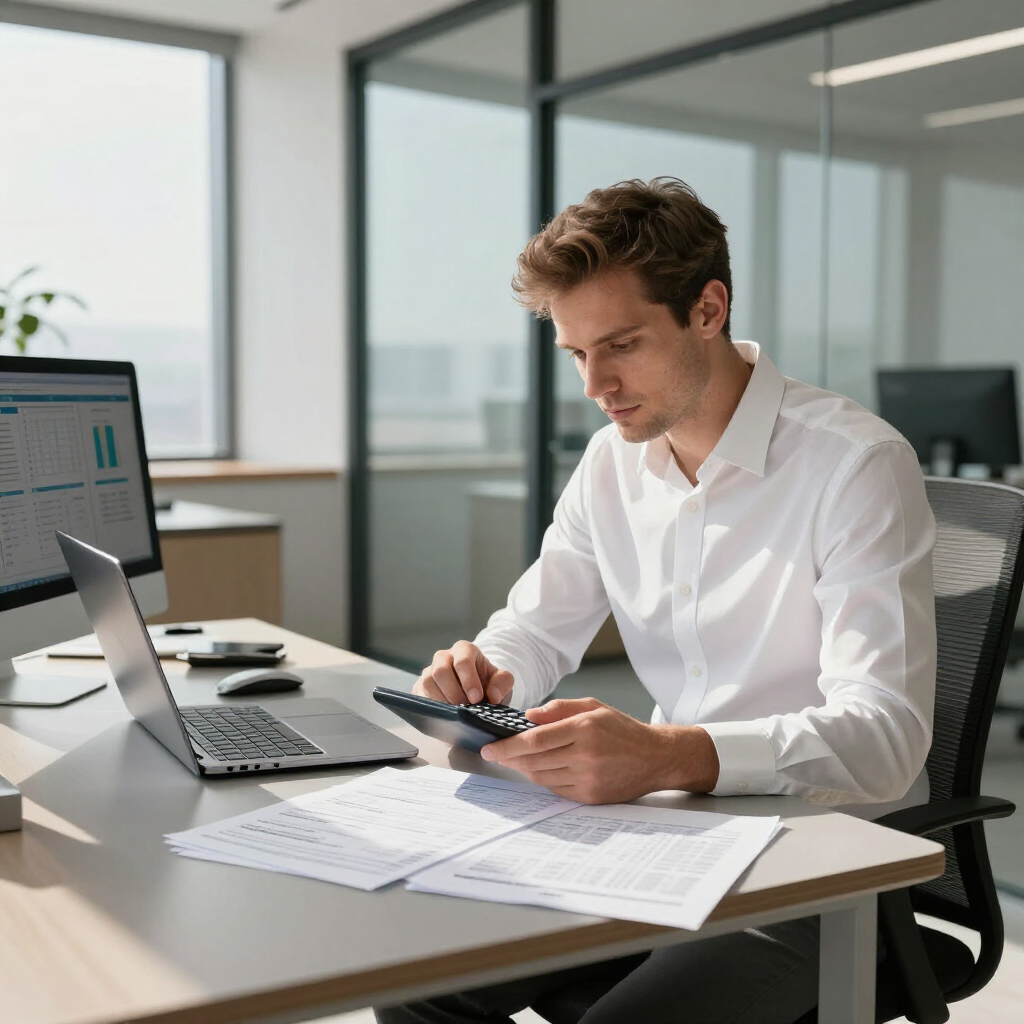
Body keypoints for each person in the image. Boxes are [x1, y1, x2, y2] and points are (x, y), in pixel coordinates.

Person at [375, 177, 936, 1024]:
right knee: (418, 981)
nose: (596, 383)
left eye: (622, 344)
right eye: (575, 353)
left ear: (707, 310)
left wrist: (668, 754)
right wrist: (485, 674)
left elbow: (885, 739)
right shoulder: (612, 463)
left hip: (826, 855)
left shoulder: (853, 465)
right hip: (667, 834)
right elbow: (535, 625)